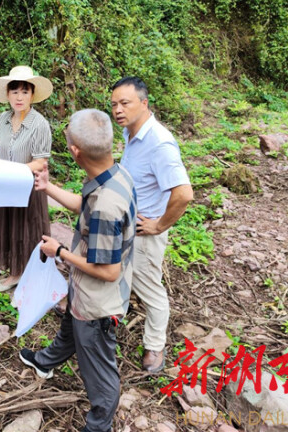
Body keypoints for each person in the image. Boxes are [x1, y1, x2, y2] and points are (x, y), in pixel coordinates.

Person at [20, 109, 137, 432]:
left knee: (100, 373)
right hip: (83, 291)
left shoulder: (106, 207)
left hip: (98, 302)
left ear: (75, 151)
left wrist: (58, 252)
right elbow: (85, 206)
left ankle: (99, 425)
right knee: (70, 327)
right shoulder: (114, 174)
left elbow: (109, 271)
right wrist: (49, 187)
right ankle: (45, 361)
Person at [110, 76, 193, 373]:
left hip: (145, 229)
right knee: (118, 273)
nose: (118, 110)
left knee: (150, 290)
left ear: (144, 104)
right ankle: (112, 317)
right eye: (114, 104)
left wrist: (159, 225)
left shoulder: (159, 143)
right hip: (125, 222)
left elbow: (183, 194)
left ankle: (155, 346)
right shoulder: (130, 132)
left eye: (125, 103)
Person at [0, 66, 53, 292]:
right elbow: (0, 149)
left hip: (29, 186)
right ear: (7, 95)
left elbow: (41, 162)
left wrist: (14, 172)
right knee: (10, 228)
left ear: (32, 95)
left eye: (25, 91)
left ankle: (31, 281)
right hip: (6, 185)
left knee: (28, 231)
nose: (19, 97)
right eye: (14, 91)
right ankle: (15, 273)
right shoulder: (3, 119)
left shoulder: (39, 124)